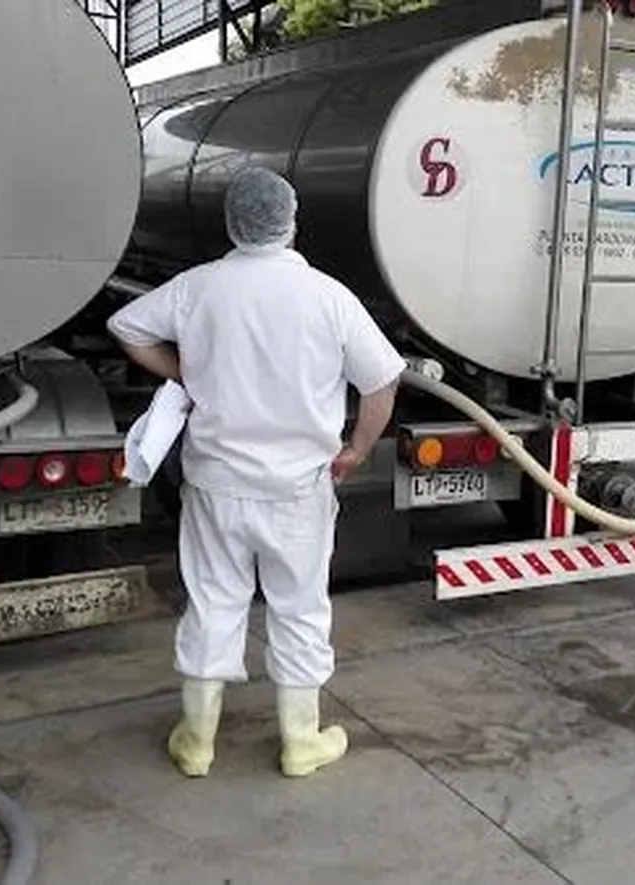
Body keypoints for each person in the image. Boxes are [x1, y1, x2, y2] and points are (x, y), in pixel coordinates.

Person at [106, 167, 405, 779]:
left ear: (232, 225)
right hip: (298, 489)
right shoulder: (329, 296)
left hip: (215, 484)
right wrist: (356, 449)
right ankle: (301, 742)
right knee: (299, 608)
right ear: (291, 222)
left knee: (213, 603)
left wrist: (184, 371)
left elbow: (126, 326)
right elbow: (381, 383)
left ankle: (196, 741)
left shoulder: (198, 288)